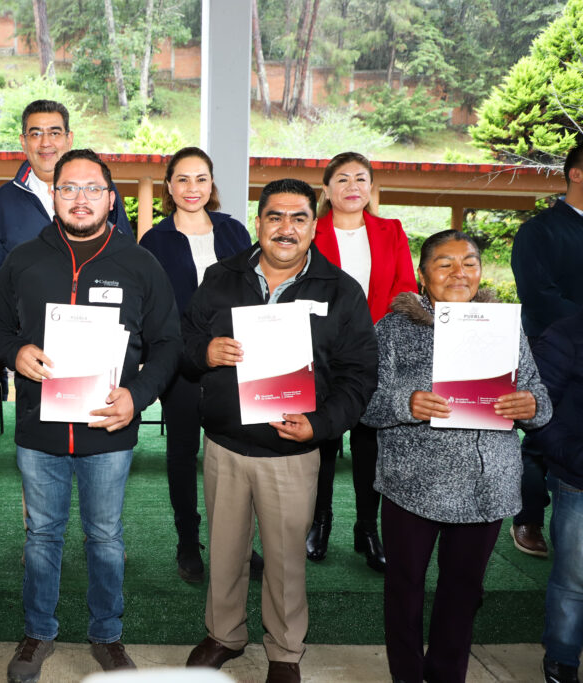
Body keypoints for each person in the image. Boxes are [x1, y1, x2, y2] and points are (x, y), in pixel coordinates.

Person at [0, 149, 180, 683]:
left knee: (105, 537)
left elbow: (168, 342)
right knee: (42, 535)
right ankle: (38, 632)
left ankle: (107, 635)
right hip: (39, 428)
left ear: (111, 199)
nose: (80, 198)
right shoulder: (25, 259)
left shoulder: (140, 263)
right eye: (68, 187)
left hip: (107, 428)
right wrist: (15, 352)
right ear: (54, 196)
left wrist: (137, 396)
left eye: (93, 188)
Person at [181, 179, 378, 683]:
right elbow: (183, 339)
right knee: (225, 551)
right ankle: (224, 634)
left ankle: (286, 650)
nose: (285, 228)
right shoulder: (221, 277)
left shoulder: (341, 291)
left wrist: (320, 425)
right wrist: (205, 352)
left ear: (314, 226)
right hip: (225, 444)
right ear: (259, 222)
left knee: (287, 560)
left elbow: (359, 376)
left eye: (298, 218)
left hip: (292, 452)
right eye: (275, 217)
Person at [363, 230, 551, 682]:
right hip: (412, 485)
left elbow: (539, 399)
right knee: (405, 589)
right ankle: (407, 675)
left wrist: (531, 406)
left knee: (464, 591)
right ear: (422, 274)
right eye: (444, 264)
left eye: (469, 262)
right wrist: (406, 403)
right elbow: (365, 404)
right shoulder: (392, 329)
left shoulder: (504, 328)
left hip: (485, 486)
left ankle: (447, 674)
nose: (458, 273)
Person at [139, 146, 252, 583]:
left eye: (201, 178)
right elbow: (152, 308)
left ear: (211, 184)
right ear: (169, 187)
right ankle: (188, 540)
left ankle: (239, 545)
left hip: (234, 360)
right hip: (181, 361)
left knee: (235, 454)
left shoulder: (234, 232)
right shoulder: (154, 241)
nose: (192, 188)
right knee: (183, 454)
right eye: (182, 179)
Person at [306, 151, 417, 571]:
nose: (352, 186)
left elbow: (405, 289)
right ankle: (319, 522)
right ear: (326, 189)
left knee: (369, 444)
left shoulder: (392, 230)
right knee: (323, 442)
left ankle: (367, 528)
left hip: (376, 352)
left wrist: (377, 338)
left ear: (371, 187)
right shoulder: (311, 230)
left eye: (360, 179)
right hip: (321, 352)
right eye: (342, 179)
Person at [0, 99, 132, 301]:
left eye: (54, 133)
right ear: (23, 142)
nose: (45, 143)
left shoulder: (100, 191)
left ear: (69, 139)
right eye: (36, 134)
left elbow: (127, 258)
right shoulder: (3, 199)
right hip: (27, 316)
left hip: (94, 312)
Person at [509, 141, 583, 557]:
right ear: (576, 173)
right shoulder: (539, 231)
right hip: (552, 346)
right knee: (542, 430)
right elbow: (538, 295)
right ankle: (528, 517)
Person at [519, 307, 583, 683]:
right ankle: (561, 662)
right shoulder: (565, 335)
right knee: (574, 581)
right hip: (578, 481)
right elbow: (539, 412)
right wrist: (576, 457)